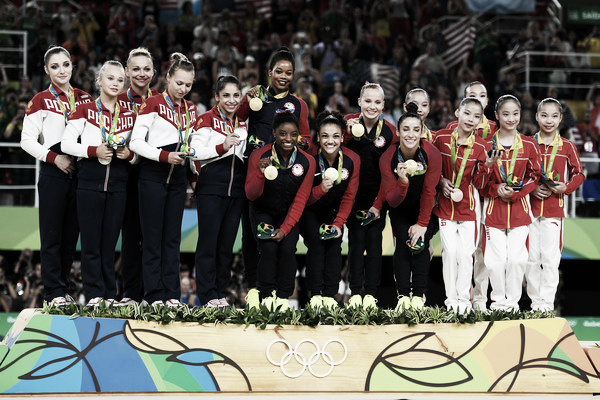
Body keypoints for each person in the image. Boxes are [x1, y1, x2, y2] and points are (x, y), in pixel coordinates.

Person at [237, 47, 311, 306]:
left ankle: (282, 296)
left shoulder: (299, 105)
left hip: (286, 180)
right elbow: (237, 118)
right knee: (250, 237)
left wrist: (290, 151)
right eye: (278, 71)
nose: (283, 76)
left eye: (288, 73)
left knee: (284, 244)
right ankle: (252, 288)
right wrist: (246, 99)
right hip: (255, 174)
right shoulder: (256, 97)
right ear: (269, 72)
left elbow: (307, 140)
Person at [20, 46, 92, 306]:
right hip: (53, 172)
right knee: (52, 236)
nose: (61, 70)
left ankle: (64, 289)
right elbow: (26, 141)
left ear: (72, 66)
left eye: (65, 64)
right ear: (46, 70)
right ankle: (53, 294)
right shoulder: (40, 100)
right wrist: (54, 158)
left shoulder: (85, 99)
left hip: (80, 173)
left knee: (71, 236)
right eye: (55, 66)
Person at [62, 60, 135, 306]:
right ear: (99, 81)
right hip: (89, 181)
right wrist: (94, 151)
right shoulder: (84, 109)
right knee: (91, 243)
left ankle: (109, 296)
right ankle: (94, 295)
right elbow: (66, 144)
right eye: (110, 79)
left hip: (118, 184)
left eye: (119, 80)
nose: (115, 83)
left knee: (108, 245)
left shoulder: (129, 115)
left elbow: (138, 150)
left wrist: (130, 156)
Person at [129, 52, 198, 307]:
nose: (183, 89)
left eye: (188, 85)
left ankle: (172, 296)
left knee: (172, 240)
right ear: (168, 78)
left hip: (177, 178)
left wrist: (193, 173)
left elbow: (192, 144)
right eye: (179, 83)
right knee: (152, 239)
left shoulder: (190, 108)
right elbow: (136, 142)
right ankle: (153, 295)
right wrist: (163, 156)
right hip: (153, 175)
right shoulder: (153, 103)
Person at [433, 98, 499, 313]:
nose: (471, 119)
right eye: (467, 113)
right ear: (457, 113)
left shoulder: (482, 146)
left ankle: (464, 302)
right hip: (444, 205)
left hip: (470, 207)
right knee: (450, 253)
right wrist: (442, 180)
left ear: (481, 121)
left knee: (465, 255)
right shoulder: (441, 138)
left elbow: (480, 184)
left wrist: (487, 167)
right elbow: (432, 168)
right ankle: (452, 302)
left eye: (477, 116)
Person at [245, 112, 315, 310]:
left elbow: (301, 199)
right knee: (267, 249)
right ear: (274, 132)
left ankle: (283, 299)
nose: (288, 139)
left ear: (299, 136)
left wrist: (285, 228)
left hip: (288, 214)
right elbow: (251, 194)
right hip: (262, 210)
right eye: (283, 133)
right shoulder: (259, 155)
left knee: (287, 250)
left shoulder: (307, 161)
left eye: (293, 134)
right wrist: (259, 173)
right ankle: (266, 297)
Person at [190, 75, 247, 307]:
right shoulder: (206, 119)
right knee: (208, 243)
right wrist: (221, 146)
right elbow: (193, 152)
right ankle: (207, 295)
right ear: (217, 97)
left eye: (236, 95)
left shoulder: (244, 121)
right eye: (226, 95)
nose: (232, 100)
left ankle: (220, 293)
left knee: (226, 246)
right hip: (211, 187)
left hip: (237, 191)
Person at [378, 102, 442, 311]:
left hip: (427, 209)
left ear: (423, 132)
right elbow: (393, 200)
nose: (411, 134)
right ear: (398, 131)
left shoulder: (432, 154)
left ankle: (418, 297)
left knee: (419, 244)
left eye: (416, 129)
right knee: (403, 248)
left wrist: (422, 224)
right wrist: (403, 182)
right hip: (400, 209)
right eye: (406, 129)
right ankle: (403, 297)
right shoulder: (388, 157)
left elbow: (429, 192)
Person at [481, 95, 541, 312]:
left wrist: (517, 193)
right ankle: (498, 303)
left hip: (519, 211)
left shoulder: (528, 145)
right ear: (496, 115)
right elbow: (479, 180)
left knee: (517, 261)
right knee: (495, 262)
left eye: (515, 113)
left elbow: (535, 176)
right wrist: (495, 189)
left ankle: (512, 304)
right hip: (493, 210)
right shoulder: (487, 145)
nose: (511, 118)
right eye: (505, 114)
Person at [526, 98, 585, 312]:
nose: (548, 120)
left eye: (553, 116)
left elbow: (579, 174)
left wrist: (566, 187)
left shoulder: (567, 146)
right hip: (529, 210)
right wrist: (531, 188)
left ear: (560, 118)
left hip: (554, 211)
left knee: (550, 260)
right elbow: (519, 173)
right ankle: (535, 304)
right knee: (531, 259)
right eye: (544, 115)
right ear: (537, 116)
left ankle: (547, 305)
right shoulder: (527, 143)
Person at [343, 82, 396, 309]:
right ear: (359, 102)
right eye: (367, 101)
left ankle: (371, 295)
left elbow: (390, 174)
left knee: (374, 245)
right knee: (356, 243)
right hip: (352, 196)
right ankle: (355, 293)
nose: (371, 106)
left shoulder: (391, 132)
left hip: (378, 198)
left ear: (383, 105)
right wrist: (345, 132)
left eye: (377, 102)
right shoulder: (348, 124)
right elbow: (335, 151)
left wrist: (378, 204)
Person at [300, 111, 360, 309]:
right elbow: (302, 198)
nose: (330, 141)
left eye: (335, 136)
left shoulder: (352, 160)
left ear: (343, 137)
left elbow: (349, 196)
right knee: (317, 245)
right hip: (310, 211)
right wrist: (320, 190)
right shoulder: (309, 158)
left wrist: (338, 223)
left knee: (334, 246)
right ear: (318, 137)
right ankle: (315, 295)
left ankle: (330, 296)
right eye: (325, 136)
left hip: (335, 212)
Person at [116, 47, 159, 306]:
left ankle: (155, 295)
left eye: (146, 69)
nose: (141, 74)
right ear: (127, 71)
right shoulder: (118, 100)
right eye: (136, 69)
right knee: (131, 235)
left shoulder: (163, 101)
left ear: (153, 72)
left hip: (154, 173)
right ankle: (132, 293)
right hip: (126, 174)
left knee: (154, 237)